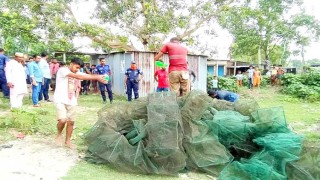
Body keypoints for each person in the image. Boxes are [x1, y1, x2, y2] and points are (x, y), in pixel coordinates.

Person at [54, 57, 107, 149]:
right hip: (60, 99)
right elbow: (80, 76)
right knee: (62, 120)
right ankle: (59, 135)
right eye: (76, 67)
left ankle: (68, 141)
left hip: (71, 99)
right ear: (71, 64)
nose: (77, 70)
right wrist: (97, 77)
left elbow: (85, 75)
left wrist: (98, 78)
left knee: (71, 122)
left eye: (79, 68)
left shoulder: (76, 72)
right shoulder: (63, 70)